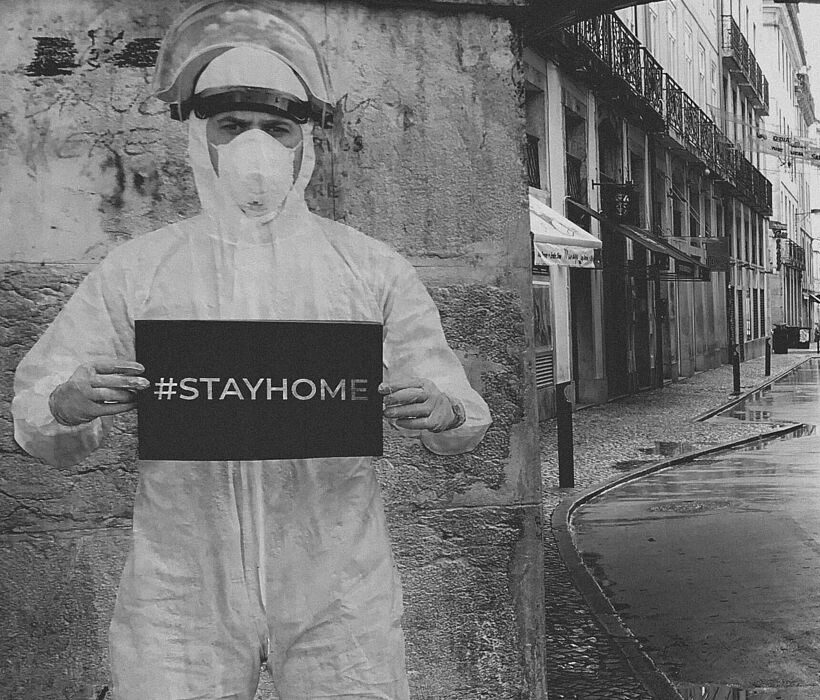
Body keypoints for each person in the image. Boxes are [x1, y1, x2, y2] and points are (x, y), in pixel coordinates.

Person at [8, 2, 489, 697]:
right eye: (232, 126)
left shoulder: (370, 268)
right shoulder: (139, 270)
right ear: (197, 136)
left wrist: (441, 412)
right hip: (181, 580)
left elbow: (463, 412)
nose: (255, 146)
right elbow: (36, 408)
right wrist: (67, 401)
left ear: (306, 141)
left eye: (277, 127)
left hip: (337, 578)